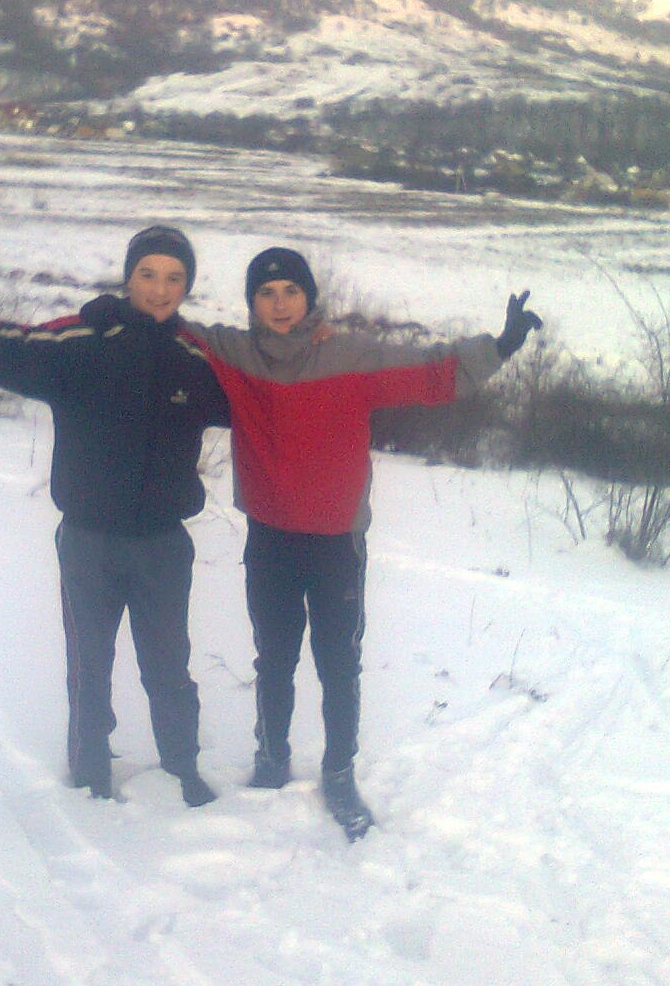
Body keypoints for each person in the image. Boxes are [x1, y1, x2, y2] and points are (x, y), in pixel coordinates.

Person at [86, 247, 541, 841]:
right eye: (266, 293)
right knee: (273, 659)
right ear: (252, 302)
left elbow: (429, 371)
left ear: (309, 298)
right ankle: (271, 760)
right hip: (270, 537)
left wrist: (500, 346)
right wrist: (110, 311)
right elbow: (165, 324)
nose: (279, 304)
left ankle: (340, 773)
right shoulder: (232, 352)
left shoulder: (348, 355)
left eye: (291, 292)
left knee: (337, 664)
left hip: (335, 543)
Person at [0, 220, 230, 808]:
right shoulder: (80, 343)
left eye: (174, 278)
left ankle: (183, 769)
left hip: (162, 545)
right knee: (89, 666)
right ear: (129, 277)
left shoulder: (196, 359)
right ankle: (89, 774)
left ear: (187, 286)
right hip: (88, 542)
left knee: (169, 667)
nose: (159, 289)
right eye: (148, 274)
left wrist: (313, 343)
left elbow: (271, 391)